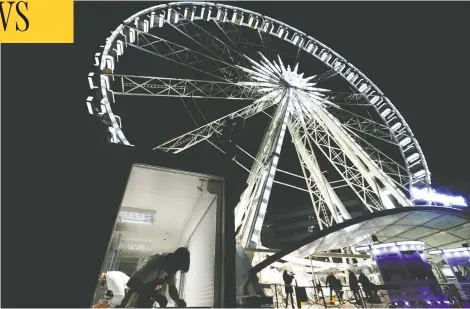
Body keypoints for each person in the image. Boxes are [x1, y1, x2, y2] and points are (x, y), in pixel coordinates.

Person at [119, 247, 190, 308]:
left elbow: (172, 287)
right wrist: (156, 296)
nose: (175, 271)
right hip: (133, 300)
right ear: (173, 259)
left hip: (146, 302)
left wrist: (178, 301)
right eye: (176, 268)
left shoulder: (171, 269)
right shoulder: (155, 261)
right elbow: (132, 283)